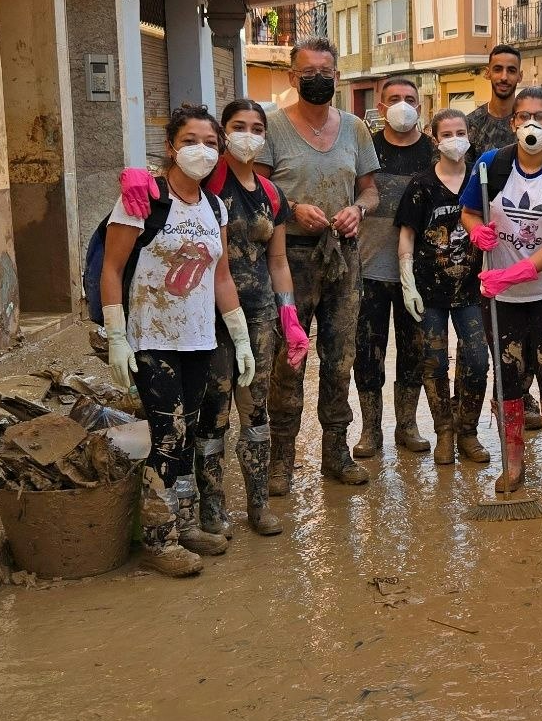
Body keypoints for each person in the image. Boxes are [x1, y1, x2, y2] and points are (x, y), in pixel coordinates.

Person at [99, 104, 258, 577]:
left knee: (186, 437)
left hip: (199, 340)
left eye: (211, 143)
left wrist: (240, 337)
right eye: (190, 141)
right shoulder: (142, 200)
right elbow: (111, 269)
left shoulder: (215, 207)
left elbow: (222, 276)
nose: (202, 151)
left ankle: (183, 524)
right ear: (170, 147)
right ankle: (158, 539)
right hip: (153, 339)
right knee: (167, 438)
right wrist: (116, 338)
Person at [258, 38, 380, 489]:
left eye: (325, 72)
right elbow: (258, 191)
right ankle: (281, 459)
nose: (317, 80)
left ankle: (336, 453)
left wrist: (359, 210)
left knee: (340, 359)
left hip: (344, 260)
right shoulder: (271, 128)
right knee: (287, 360)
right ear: (292, 77)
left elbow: (370, 189)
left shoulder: (354, 129)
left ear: (337, 76)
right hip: (288, 259)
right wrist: (290, 209)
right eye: (307, 72)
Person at [460, 87, 542, 494]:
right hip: (500, 296)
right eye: (524, 116)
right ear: (513, 123)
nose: (532, 123)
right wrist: (475, 232)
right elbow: (470, 211)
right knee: (508, 376)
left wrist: (515, 273)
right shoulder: (489, 166)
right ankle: (512, 464)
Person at [196, 99, 307, 543]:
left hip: (260, 315)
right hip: (208, 316)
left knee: (255, 409)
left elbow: (278, 260)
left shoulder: (271, 193)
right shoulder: (206, 183)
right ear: (223, 134)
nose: (248, 134)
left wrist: (289, 312)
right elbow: (160, 188)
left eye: (257, 127)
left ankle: (257, 504)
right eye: (238, 126)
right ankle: (211, 508)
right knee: (213, 413)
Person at [395, 108, 491, 465]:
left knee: (478, 362)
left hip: (471, 290)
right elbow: (406, 235)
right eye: (446, 134)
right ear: (434, 140)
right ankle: (444, 433)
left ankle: (468, 431)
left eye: (460, 132)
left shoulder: (481, 183)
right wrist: (408, 283)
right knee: (433, 362)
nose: (454, 140)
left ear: (469, 136)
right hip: (429, 290)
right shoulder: (421, 185)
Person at [353, 75, 437, 462]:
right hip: (367, 269)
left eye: (409, 98)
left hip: (416, 274)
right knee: (367, 353)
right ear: (381, 107)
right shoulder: (364, 148)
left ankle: (407, 424)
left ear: (419, 107)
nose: (402, 105)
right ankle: (370, 429)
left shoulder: (434, 153)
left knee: (413, 351)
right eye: (394, 99)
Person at [463, 44, 540, 430]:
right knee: (482, 334)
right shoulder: (473, 125)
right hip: (484, 243)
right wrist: (475, 232)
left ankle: (521, 398)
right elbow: (460, 189)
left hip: (528, 238)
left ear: (520, 75)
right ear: (488, 73)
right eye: (498, 69)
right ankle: (472, 423)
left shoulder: (534, 123)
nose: (505, 76)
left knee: (527, 328)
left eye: (512, 70)